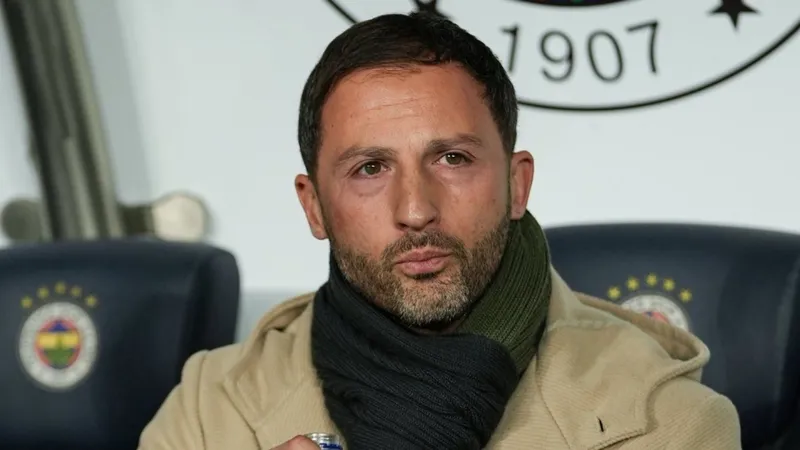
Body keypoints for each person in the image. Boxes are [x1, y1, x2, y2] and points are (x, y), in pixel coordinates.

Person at [138, 12, 741, 450]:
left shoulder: (667, 422)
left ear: (517, 185)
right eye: (369, 169)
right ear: (314, 207)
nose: (415, 209)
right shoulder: (209, 410)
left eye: (452, 159)